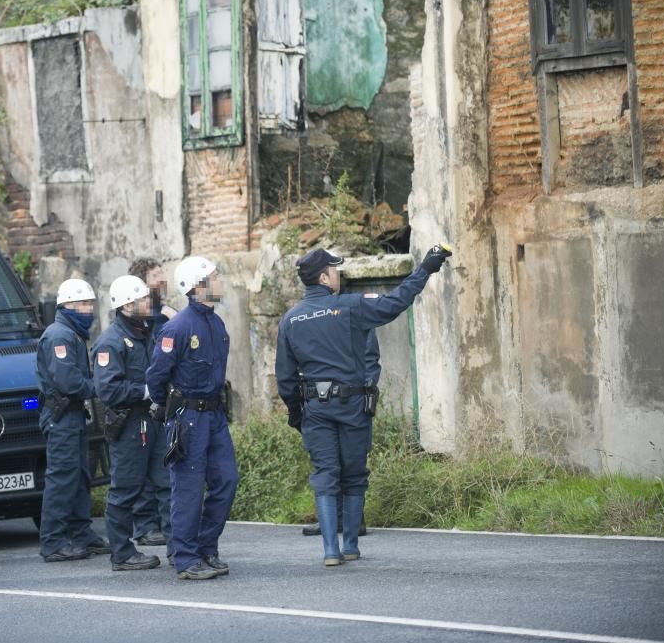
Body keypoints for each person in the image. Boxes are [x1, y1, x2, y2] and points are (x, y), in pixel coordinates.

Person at [275, 245, 451, 566]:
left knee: (325, 474)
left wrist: (298, 415)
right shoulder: (351, 307)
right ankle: (352, 546)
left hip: (315, 408)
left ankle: (331, 551)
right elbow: (396, 303)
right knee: (354, 474)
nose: (338, 275)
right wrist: (426, 268)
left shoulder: (290, 320)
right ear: (325, 277)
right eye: (335, 270)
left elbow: (285, 378)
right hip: (353, 406)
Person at [146, 256, 238, 580]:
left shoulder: (216, 323)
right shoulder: (178, 327)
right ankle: (185, 558)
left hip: (214, 416)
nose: (221, 281)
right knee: (187, 487)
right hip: (187, 419)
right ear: (198, 286)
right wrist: (171, 409)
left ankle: (206, 548)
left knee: (227, 480)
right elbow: (156, 377)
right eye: (215, 276)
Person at [93, 275, 171, 571]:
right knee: (125, 489)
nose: (147, 303)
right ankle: (122, 553)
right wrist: (144, 391)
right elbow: (108, 389)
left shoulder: (147, 332)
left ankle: (178, 548)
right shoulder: (110, 342)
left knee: (167, 484)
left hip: (154, 421)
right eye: (141, 299)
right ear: (127, 305)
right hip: (129, 424)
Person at [37, 278, 111, 562]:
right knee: (62, 479)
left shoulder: (72, 333)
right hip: (62, 416)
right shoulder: (59, 336)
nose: (87, 309)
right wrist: (100, 387)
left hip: (74, 414)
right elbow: (68, 382)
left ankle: (81, 534)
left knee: (80, 475)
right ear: (66, 305)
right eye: (82, 304)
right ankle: (53, 542)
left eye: (90, 304)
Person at [301, 328, 378, 538]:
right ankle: (333, 519)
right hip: (322, 400)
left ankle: (354, 521)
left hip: (352, 400)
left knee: (351, 461)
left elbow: (370, 357)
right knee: (327, 462)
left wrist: (367, 392)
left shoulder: (355, 313)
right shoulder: (312, 316)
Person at [126, 257, 175, 547]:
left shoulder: (164, 314)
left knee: (161, 465)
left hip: (162, 401)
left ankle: (160, 523)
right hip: (141, 403)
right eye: (156, 275)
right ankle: (145, 525)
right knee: (142, 469)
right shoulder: (139, 321)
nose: (162, 279)